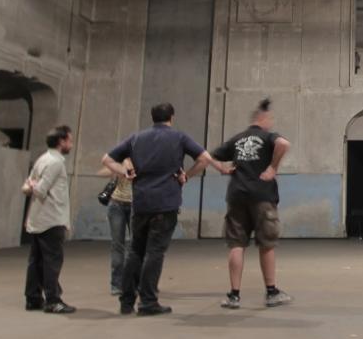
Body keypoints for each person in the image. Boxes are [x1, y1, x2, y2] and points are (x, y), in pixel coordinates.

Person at [103, 103, 218, 316]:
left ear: (152, 117)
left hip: (141, 203)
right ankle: (148, 302)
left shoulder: (136, 138)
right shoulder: (179, 137)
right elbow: (205, 158)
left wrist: (124, 172)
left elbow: (107, 159)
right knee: (154, 252)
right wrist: (187, 175)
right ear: (171, 117)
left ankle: (126, 302)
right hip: (165, 203)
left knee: (135, 251)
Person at [202, 98, 292, 309]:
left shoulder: (237, 139)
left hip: (237, 196)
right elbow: (284, 144)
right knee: (266, 244)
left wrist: (221, 168)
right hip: (262, 196)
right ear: (262, 118)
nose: (271, 122)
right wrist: (273, 167)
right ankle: (271, 292)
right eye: (269, 119)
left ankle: (234, 295)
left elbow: (206, 156)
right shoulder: (269, 136)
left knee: (236, 245)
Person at [22, 125, 75, 314]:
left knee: (36, 261)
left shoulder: (42, 159)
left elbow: (27, 186)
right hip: (51, 219)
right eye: (69, 140)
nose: (71, 144)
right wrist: (34, 186)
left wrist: (32, 185)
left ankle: (33, 298)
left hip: (39, 218)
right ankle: (53, 300)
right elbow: (40, 190)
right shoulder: (55, 163)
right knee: (52, 261)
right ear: (61, 141)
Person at [99, 158, 135, 297]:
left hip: (135, 205)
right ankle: (116, 284)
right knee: (117, 245)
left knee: (136, 246)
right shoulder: (120, 161)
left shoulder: (143, 160)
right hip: (116, 204)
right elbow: (101, 172)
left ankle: (135, 282)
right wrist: (119, 168)